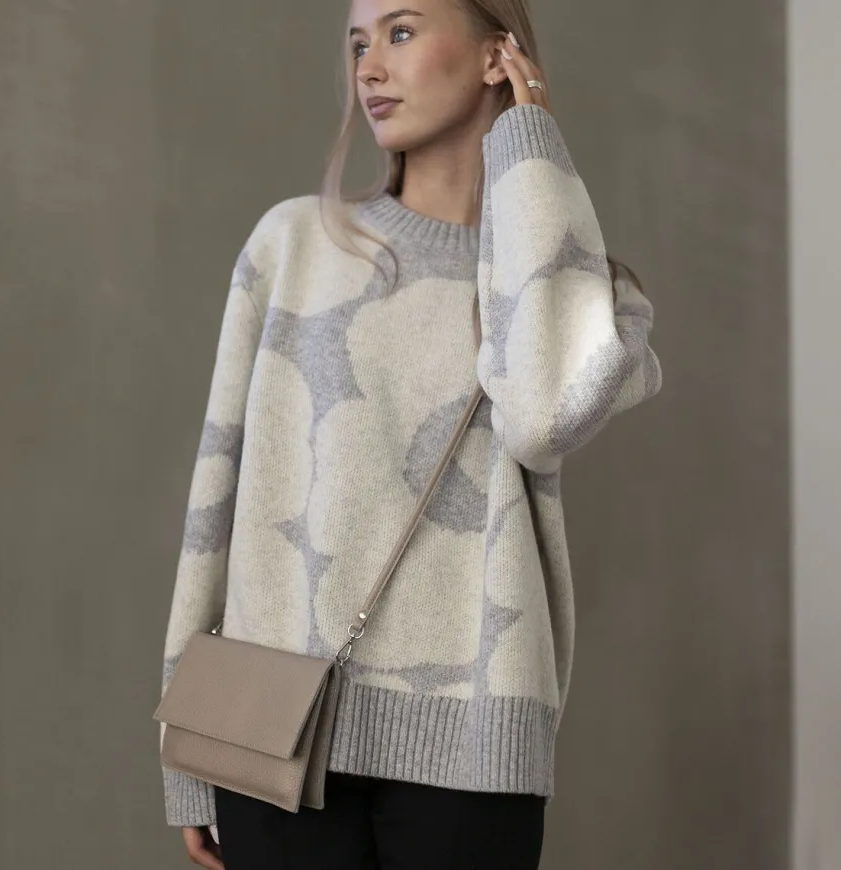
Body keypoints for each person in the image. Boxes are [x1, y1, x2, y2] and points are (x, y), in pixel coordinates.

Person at [159, 0, 662, 867]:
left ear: (496, 54)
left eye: (400, 32)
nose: (368, 67)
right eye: (358, 43)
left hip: (474, 745)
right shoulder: (293, 247)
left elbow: (543, 417)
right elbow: (218, 499)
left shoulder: (586, 298)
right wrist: (188, 741)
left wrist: (529, 143)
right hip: (274, 732)